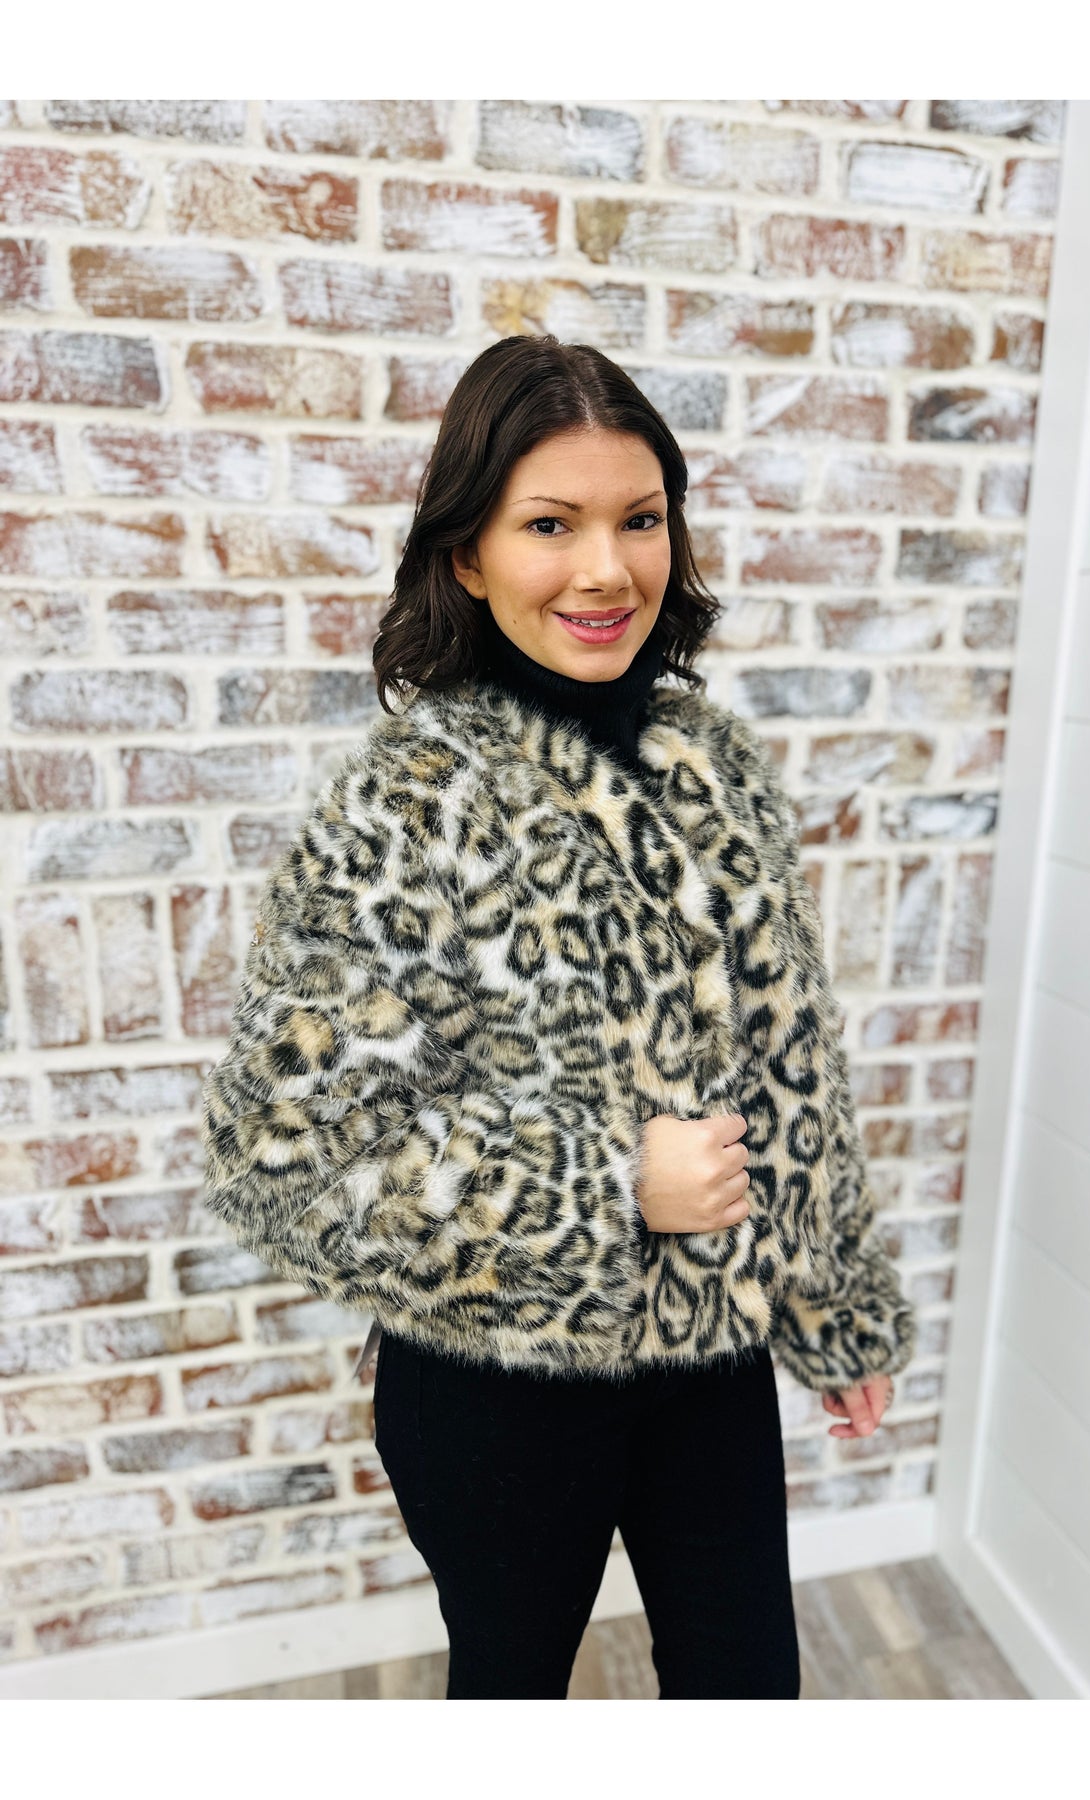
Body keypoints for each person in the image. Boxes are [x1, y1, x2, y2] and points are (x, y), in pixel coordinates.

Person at [200, 335, 916, 1700]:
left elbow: (786, 1055)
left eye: (639, 519)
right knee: (514, 1689)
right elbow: (285, 1151)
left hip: (705, 1346)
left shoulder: (708, 766)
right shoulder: (406, 808)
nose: (607, 569)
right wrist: (611, 1181)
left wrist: (830, 1297)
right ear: (466, 556)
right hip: (499, 1379)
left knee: (750, 1686)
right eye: (550, 525)